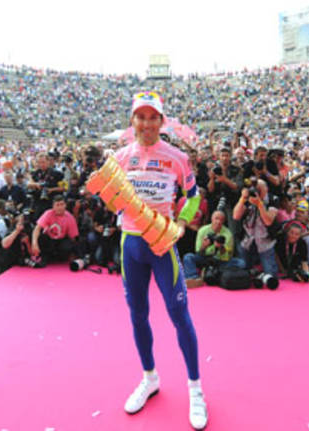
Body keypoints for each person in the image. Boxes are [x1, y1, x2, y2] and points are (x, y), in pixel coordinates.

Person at [105, 91, 208, 429]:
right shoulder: (120, 157)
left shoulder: (177, 157)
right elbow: (112, 201)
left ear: (162, 122)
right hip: (131, 245)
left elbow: (194, 196)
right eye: (141, 117)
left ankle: (195, 389)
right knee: (137, 314)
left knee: (179, 314)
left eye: (153, 117)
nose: (147, 124)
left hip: (163, 245)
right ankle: (150, 377)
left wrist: (180, 223)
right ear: (132, 121)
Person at [182, 210, 245, 287]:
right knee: (188, 257)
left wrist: (221, 247)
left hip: (220, 260)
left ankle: (213, 272)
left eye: (221, 220)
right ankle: (193, 278)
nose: (218, 222)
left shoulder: (228, 234)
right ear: (212, 219)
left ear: (224, 221)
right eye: (216, 218)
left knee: (241, 263)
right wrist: (204, 246)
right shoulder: (203, 230)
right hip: (205, 258)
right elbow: (198, 252)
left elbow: (227, 257)